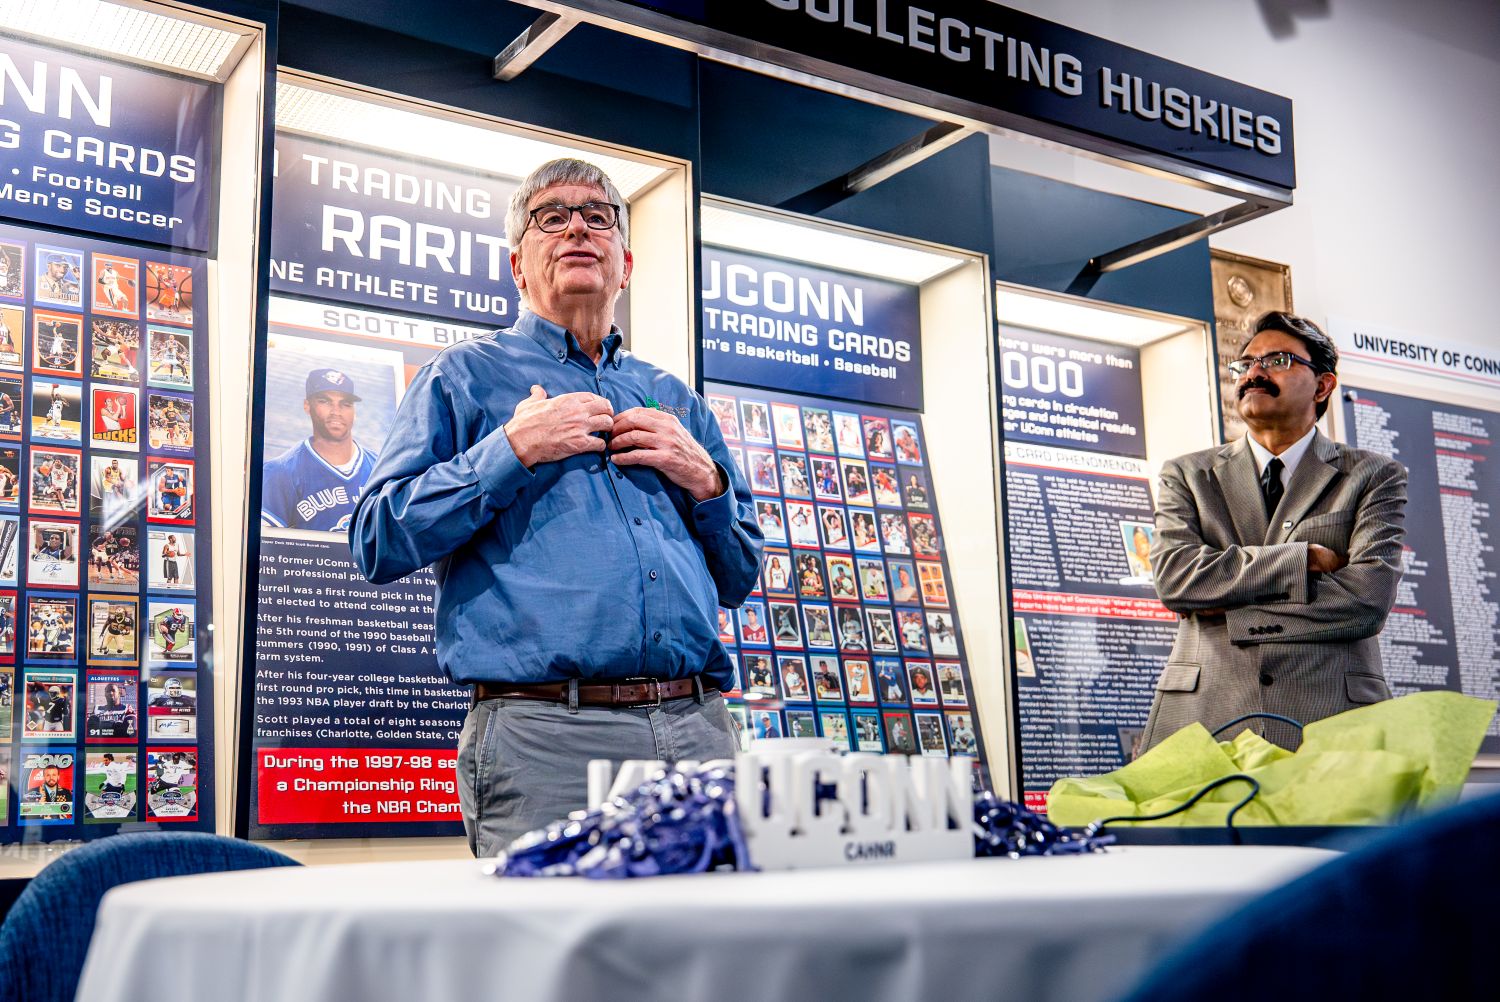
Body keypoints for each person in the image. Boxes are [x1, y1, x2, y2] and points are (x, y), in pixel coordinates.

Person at [350, 159, 763, 856]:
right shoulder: (462, 378)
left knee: (714, 957)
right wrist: (510, 448)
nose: (577, 226)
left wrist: (705, 481)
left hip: (701, 731)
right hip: (548, 742)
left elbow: (740, 576)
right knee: (549, 960)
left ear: (624, 263)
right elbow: (377, 539)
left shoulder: (676, 398)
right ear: (519, 265)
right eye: (552, 216)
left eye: (598, 216)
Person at [1140, 313, 1407, 753]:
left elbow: (1366, 601)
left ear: (1323, 386)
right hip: (1204, 721)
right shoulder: (1187, 475)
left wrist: (1231, 615)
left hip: (1331, 723)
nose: (1254, 374)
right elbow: (1176, 579)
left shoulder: (1374, 476)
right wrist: (1300, 560)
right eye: (1245, 364)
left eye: (1277, 360)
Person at [261, 369, 379, 532]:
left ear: (354, 411)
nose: (336, 412)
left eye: (345, 404)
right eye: (325, 401)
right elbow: (267, 549)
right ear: (307, 406)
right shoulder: (280, 472)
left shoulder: (380, 468)